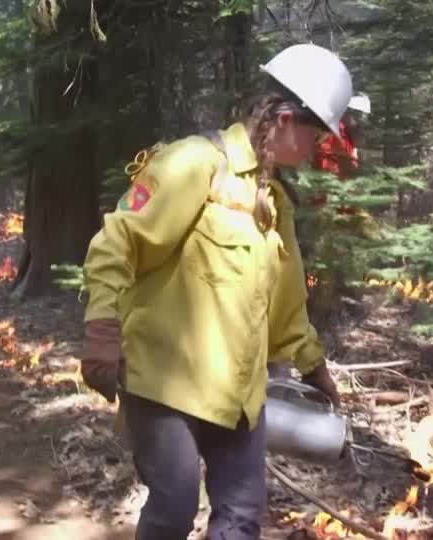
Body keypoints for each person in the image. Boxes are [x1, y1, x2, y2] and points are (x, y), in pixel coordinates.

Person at [79, 43, 352, 540]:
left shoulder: (274, 204)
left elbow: (288, 309)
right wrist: (102, 327)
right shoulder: (195, 163)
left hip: (241, 398)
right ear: (287, 119)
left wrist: (316, 371)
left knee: (243, 516)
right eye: (316, 136)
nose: (316, 151)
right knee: (176, 504)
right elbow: (117, 241)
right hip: (165, 386)